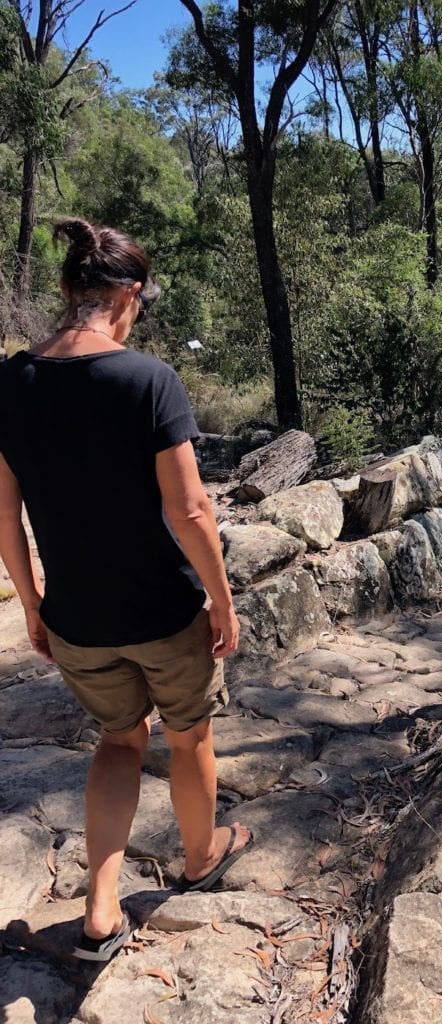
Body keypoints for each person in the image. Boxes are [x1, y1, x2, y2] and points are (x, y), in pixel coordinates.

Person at [0, 218, 252, 962]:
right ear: (128, 296)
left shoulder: (12, 382)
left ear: (67, 289)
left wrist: (33, 607)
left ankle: (101, 908)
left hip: (79, 618)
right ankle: (202, 856)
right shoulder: (149, 381)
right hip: (165, 613)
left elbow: (4, 518)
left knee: (117, 742)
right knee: (189, 736)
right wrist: (222, 599)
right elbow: (191, 509)